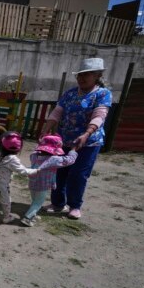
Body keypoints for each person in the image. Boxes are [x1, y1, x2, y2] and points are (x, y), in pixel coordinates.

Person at [41, 57, 112, 219]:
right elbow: (57, 112)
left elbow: (99, 116)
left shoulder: (102, 94)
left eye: (87, 74)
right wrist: (46, 128)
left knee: (78, 174)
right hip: (65, 140)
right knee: (59, 172)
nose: (81, 78)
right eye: (80, 75)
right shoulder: (70, 93)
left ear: (97, 76)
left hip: (88, 143)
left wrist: (87, 134)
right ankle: (58, 204)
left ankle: (74, 206)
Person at [21, 135, 78, 227]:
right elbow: (69, 160)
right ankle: (27, 218)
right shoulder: (53, 159)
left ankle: (33, 215)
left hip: (32, 182)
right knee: (38, 202)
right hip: (43, 185)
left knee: (35, 200)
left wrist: (40, 142)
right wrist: (73, 150)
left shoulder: (34, 156)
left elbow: (36, 149)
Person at [0, 132, 39, 224]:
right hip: (2, 185)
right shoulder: (12, 159)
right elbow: (23, 171)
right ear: (19, 148)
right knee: (6, 201)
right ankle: (7, 217)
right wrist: (36, 171)